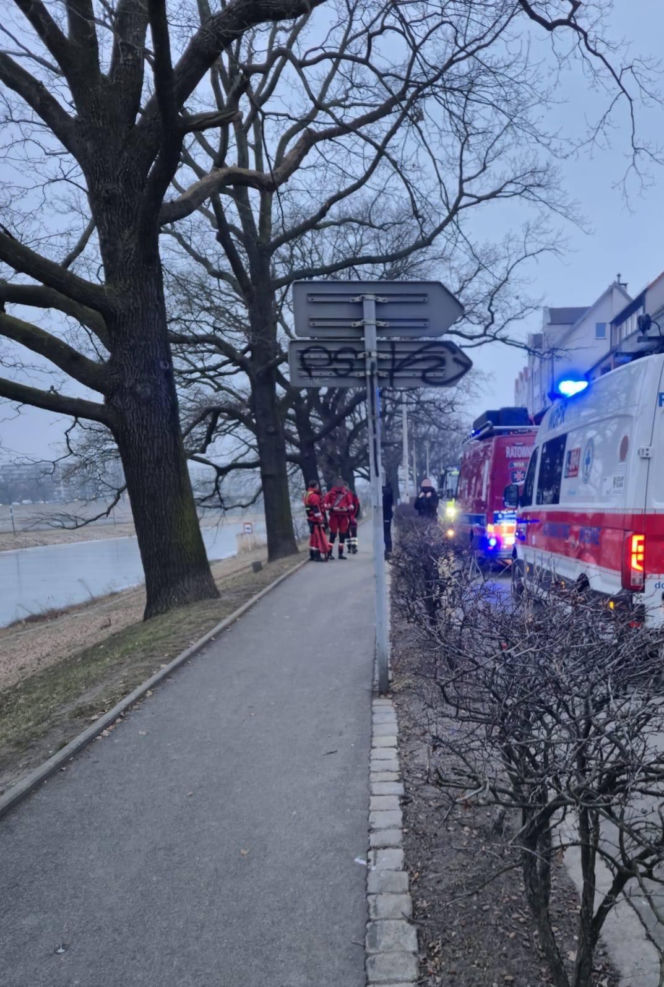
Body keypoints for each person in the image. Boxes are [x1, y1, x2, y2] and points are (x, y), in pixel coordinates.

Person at [323, 477, 354, 559]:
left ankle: (340, 553)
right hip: (334, 516)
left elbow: (350, 504)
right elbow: (325, 505)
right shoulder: (330, 494)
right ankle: (329, 553)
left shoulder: (346, 493)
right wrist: (331, 507)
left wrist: (349, 507)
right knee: (333, 535)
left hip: (343, 517)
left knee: (342, 535)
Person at [303, 480, 330, 562]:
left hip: (310, 518)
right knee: (317, 538)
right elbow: (316, 509)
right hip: (315, 520)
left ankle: (312, 555)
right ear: (315, 486)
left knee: (313, 538)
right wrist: (320, 519)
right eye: (318, 486)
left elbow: (308, 508)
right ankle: (317, 556)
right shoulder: (314, 496)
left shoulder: (307, 494)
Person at [347, 488, 361, 554]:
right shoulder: (343, 495)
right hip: (346, 517)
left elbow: (357, 505)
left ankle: (353, 547)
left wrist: (355, 516)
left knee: (353, 532)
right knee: (348, 533)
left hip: (352, 516)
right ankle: (350, 547)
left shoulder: (353, 495)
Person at [382, 481, 394, 559]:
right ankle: (388, 550)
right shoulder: (389, 490)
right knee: (387, 533)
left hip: (385, 515)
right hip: (387, 515)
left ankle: (388, 551)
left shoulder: (386, 491)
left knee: (386, 533)